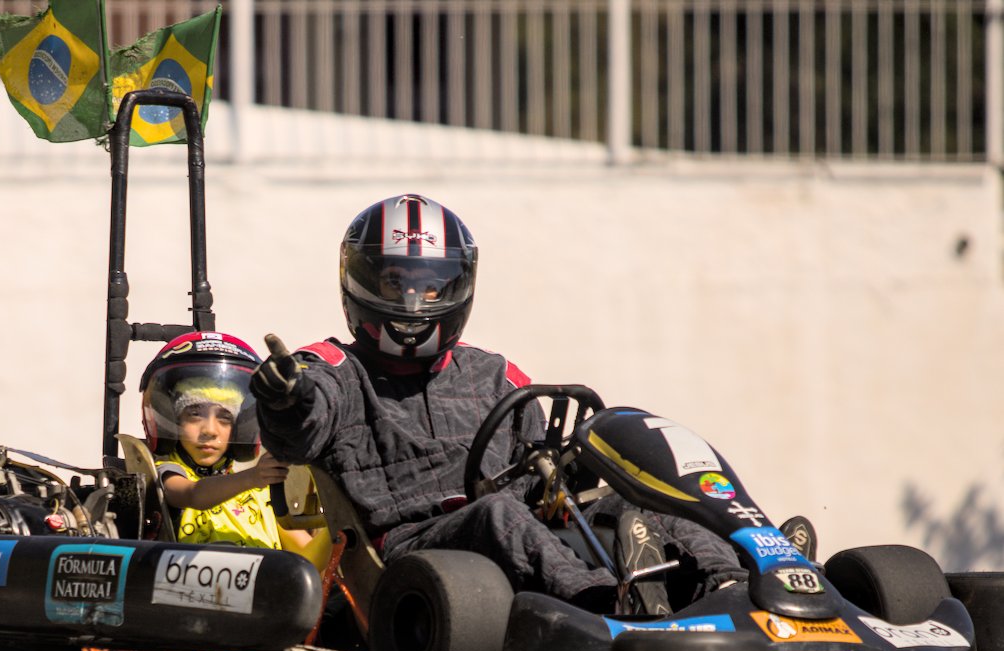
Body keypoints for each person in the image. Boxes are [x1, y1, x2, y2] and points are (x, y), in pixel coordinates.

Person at [249, 193, 746, 613]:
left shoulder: (493, 372)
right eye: (394, 283)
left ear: (457, 285)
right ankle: (604, 605)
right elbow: (300, 430)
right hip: (411, 553)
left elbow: (550, 470)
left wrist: (574, 469)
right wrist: (284, 397)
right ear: (361, 280)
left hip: (521, 529)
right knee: (495, 513)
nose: (414, 302)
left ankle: (731, 585)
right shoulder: (333, 368)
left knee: (635, 498)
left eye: (429, 284)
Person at [140, 332, 306, 550]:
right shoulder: (167, 474)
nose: (210, 430)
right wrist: (254, 476)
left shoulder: (260, 492)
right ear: (173, 419)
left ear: (239, 427)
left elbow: (310, 557)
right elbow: (194, 494)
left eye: (224, 418)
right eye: (195, 413)